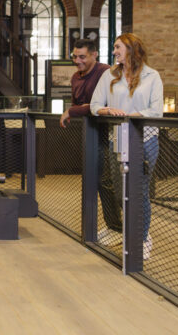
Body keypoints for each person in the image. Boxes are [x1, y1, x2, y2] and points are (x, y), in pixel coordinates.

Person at [90, 33, 163, 260]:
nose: (114, 52)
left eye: (117, 47)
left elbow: (156, 110)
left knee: (139, 190)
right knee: (122, 192)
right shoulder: (108, 75)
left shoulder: (153, 76)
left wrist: (132, 117)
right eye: (114, 47)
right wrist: (108, 110)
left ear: (132, 49)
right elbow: (94, 105)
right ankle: (132, 231)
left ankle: (141, 239)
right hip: (118, 138)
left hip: (146, 139)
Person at [59, 39, 121, 239]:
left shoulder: (106, 72)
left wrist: (72, 110)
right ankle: (106, 227)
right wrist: (79, 109)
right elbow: (83, 105)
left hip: (107, 134)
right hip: (89, 134)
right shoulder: (76, 77)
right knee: (92, 180)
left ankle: (117, 228)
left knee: (106, 181)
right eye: (74, 57)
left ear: (94, 54)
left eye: (82, 57)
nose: (77, 61)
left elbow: (97, 105)